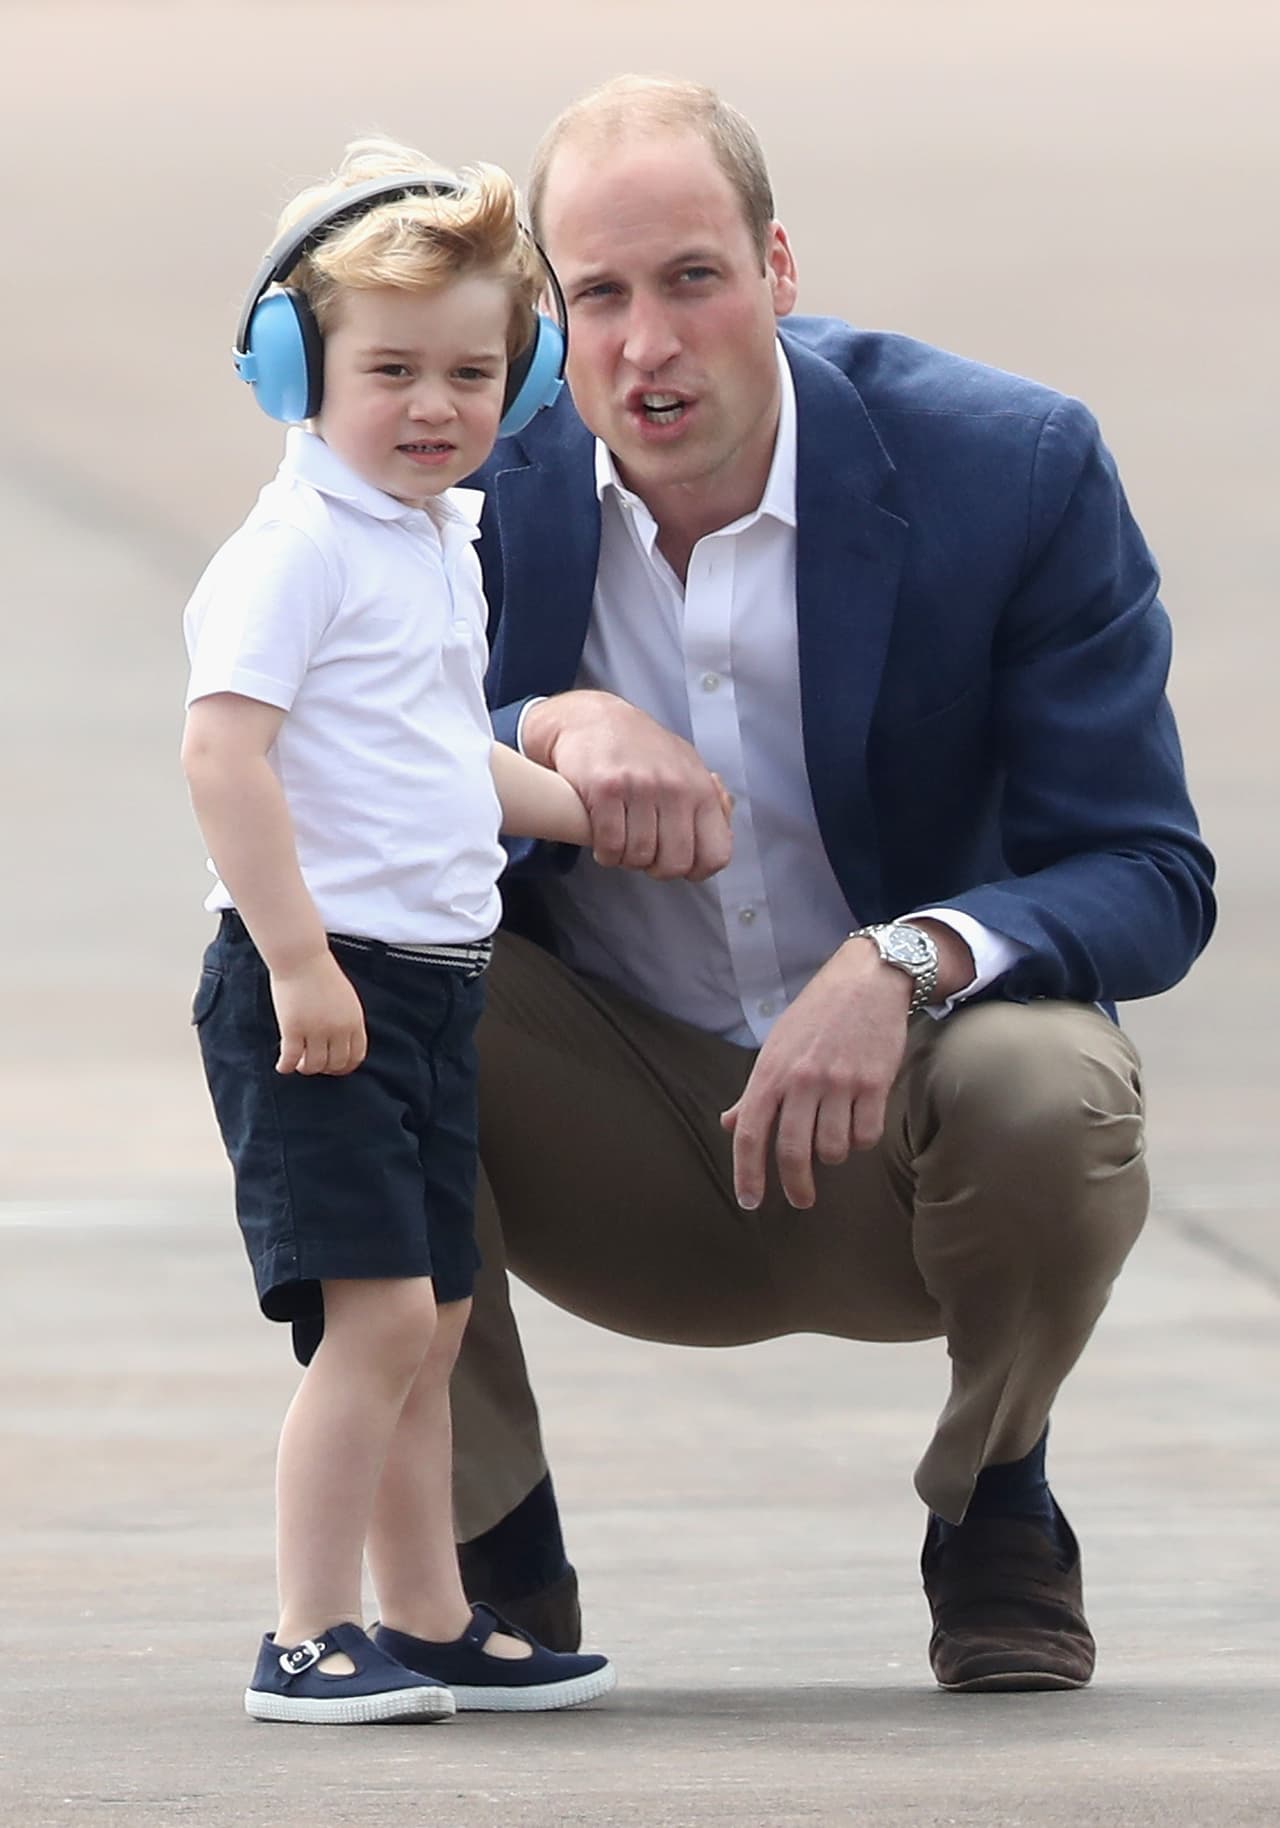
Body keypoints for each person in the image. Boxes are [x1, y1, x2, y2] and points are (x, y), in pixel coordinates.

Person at [449, 77, 1217, 1693]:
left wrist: (909, 962)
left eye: (692, 279)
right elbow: (315, 780)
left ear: (779, 270)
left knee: (1050, 1078)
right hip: (605, 1129)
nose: (647, 343)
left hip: (905, 1141)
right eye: (598, 295)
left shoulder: (1008, 467)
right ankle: (484, 1542)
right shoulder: (467, 483)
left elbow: (1150, 870)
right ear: (546, 311)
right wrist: (542, 732)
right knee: (293, 979)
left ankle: (994, 1504)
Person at [181, 138, 617, 1723]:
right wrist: (297, 959)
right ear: (295, 367)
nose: (435, 405)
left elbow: (440, 757)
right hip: (321, 988)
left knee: (431, 1320)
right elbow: (222, 753)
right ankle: (304, 1634)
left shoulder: (430, 539)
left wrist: (605, 811)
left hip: (426, 989)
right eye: (390, 370)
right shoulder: (294, 551)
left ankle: (428, 1615)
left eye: (473, 372)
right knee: (369, 1329)